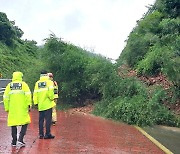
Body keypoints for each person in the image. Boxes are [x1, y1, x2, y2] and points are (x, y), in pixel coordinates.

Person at [3, 72, 32, 147]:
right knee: (25, 122)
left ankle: (14, 141)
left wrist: (7, 108)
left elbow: (5, 97)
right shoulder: (24, 85)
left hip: (12, 108)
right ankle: (21, 139)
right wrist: (29, 105)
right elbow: (28, 95)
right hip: (22, 108)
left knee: (13, 124)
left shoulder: (9, 86)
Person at [33, 70, 55, 139]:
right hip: (48, 104)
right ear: (46, 75)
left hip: (41, 105)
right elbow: (50, 93)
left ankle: (41, 134)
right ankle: (47, 134)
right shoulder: (49, 82)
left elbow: (35, 94)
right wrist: (52, 98)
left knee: (41, 120)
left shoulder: (37, 83)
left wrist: (36, 102)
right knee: (48, 120)